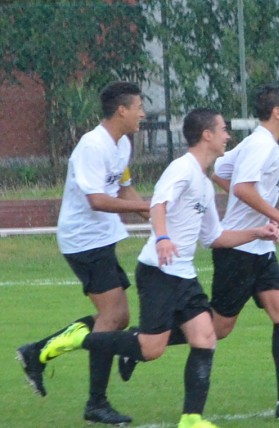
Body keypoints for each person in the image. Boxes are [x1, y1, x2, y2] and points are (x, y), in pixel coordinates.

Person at [56, 108, 279, 428]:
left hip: (183, 274)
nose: (227, 136)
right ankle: (79, 339)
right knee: (150, 349)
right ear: (207, 135)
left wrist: (257, 232)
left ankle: (191, 418)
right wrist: (162, 238)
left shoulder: (203, 183)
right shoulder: (181, 168)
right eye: (223, 130)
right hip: (158, 272)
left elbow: (215, 237)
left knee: (205, 336)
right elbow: (158, 204)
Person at [121, 84, 279, 420]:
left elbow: (222, 174)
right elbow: (243, 188)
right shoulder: (261, 146)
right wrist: (278, 217)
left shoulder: (258, 144)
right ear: (277, 112)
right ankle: (138, 342)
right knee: (217, 329)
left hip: (259, 248)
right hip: (239, 253)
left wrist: (255, 216)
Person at [15, 81, 150, 424]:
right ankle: (96, 402)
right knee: (112, 318)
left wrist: (155, 216)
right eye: (139, 107)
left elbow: (124, 188)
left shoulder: (122, 145)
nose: (143, 113)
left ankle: (37, 352)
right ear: (122, 110)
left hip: (102, 238)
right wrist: (145, 208)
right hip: (83, 241)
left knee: (118, 318)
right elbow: (97, 200)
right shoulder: (92, 146)